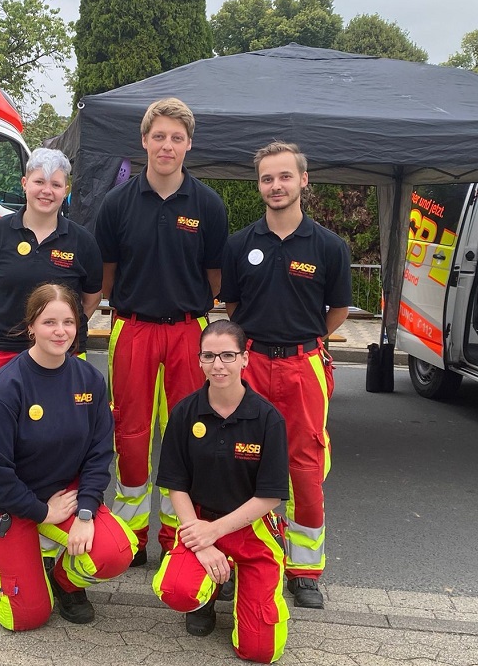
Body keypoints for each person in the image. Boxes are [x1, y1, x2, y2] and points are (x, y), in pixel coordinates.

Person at [92, 97, 229, 566]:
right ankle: (131, 533)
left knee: (187, 431)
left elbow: (215, 277)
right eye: (159, 136)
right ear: (144, 141)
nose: (166, 145)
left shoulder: (208, 205)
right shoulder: (117, 204)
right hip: (132, 329)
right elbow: (106, 274)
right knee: (129, 432)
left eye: (176, 137)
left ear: (189, 144)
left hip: (189, 333)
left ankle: (178, 533)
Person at [0, 283, 136, 631]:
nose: (60, 331)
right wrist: (42, 511)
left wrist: (86, 510)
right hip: (4, 504)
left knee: (116, 552)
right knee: (25, 617)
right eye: (49, 322)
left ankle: (62, 580)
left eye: (68, 322)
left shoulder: (90, 380)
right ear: (31, 327)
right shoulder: (5, 388)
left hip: (65, 499)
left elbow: (100, 454)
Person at [218, 141, 351, 610]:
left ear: (303, 181)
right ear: (259, 186)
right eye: (267, 179)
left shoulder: (331, 247)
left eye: (284, 177)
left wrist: (300, 341)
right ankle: (233, 559)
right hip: (249, 364)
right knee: (238, 460)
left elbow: (337, 312)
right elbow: (233, 308)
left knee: (305, 465)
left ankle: (304, 569)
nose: (276, 186)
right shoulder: (239, 245)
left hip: (303, 367)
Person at [153, 320, 290, 663]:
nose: (218, 365)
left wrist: (215, 533)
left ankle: (248, 586)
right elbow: (176, 484)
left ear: (245, 359)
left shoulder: (267, 418)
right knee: (176, 590)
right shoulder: (185, 412)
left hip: (250, 527)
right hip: (199, 522)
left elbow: (270, 496)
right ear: (199, 360)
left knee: (260, 651)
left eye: (228, 355)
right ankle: (208, 593)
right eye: (209, 356)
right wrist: (202, 541)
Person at [0, 147, 102, 442]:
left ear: (65, 190)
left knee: (64, 433)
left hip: (63, 354)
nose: (47, 191)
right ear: (24, 184)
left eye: (55, 184)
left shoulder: (83, 241)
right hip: (7, 349)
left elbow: (90, 299)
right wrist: (21, 325)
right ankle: (1, 489)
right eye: (39, 182)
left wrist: (58, 330)